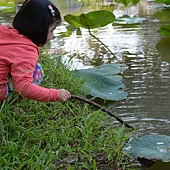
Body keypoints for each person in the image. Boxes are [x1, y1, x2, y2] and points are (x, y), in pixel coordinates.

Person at [0, 0, 71, 103]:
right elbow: (24, 87)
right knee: (37, 71)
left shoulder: (3, 30)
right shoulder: (27, 51)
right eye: (51, 31)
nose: (52, 36)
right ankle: (11, 102)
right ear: (39, 29)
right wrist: (55, 94)